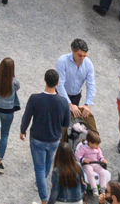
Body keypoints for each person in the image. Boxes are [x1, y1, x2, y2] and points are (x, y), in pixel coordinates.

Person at [19, 67, 71, 204]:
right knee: (48, 164)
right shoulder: (64, 102)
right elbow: (66, 122)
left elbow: (27, 117)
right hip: (54, 139)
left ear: (44, 80)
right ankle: (40, 184)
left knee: (39, 169)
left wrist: (22, 130)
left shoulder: (35, 98)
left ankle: (44, 199)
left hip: (37, 138)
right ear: (58, 83)